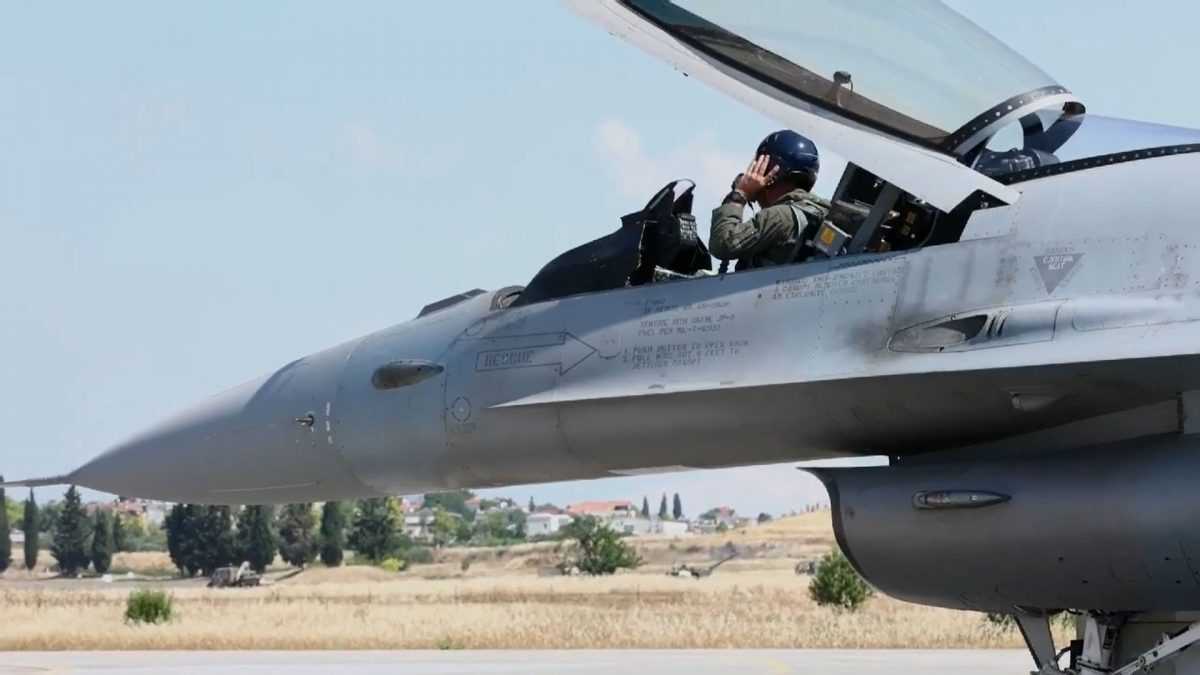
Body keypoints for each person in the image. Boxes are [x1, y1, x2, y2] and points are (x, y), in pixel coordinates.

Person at [710, 130, 830, 271]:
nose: (751, 173)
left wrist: (739, 195)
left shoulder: (779, 217)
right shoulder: (816, 212)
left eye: (758, 165)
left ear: (771, 172)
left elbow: (723, 244)